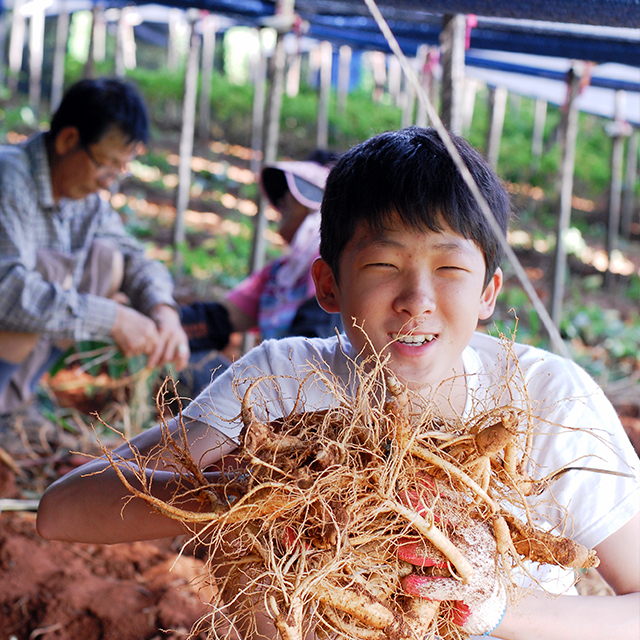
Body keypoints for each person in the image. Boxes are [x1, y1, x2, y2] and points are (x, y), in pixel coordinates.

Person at [37, 127, 639, 640]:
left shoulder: (547, 400)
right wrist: (249, 494)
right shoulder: (280, 385)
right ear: (327, 285)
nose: (417, 302)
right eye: (383, 265)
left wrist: (500, 605)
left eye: (450, 268)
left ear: (488, 293)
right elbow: (62, 512)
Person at [0, 78, 189, 427]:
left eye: (119, 169)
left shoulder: (84, 201)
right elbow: (7, 290)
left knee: (108, 261)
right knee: (38, 278)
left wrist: (164, 311)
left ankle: (12, 401)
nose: (108, 181)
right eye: (106, 164)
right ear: (68, 140)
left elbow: (135, 257)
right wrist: (113, 318)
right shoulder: (8, 179)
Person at [179, 150, 342, 392]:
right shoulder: (281, 275)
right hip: (268, 394)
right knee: (183, 361)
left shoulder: (339, 267)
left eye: (292, 192)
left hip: (314, 403)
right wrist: (163, 323)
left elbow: (314, 351)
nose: (281, 201)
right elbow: (220, 319)